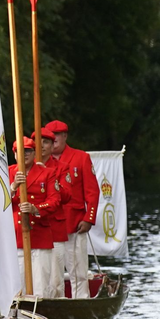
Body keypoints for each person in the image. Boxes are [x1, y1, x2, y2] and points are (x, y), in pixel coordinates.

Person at [45, 119, 100, 298]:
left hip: (75, 223)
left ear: (65, 136)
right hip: (51, 226)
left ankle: (81, 303)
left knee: (78, 270)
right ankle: (55, 305)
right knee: (53, 273)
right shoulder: (42, 161)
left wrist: (89, 218)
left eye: (56, 137)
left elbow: (92, 191)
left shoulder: (80, 157)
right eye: (49, 138)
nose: (53, 142)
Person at [9, 137, 61, 298]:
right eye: (20, 151)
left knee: (40, 285)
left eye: (28, 151)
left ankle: (38, 317)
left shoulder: (47, 173)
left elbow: (55, 200)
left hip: (39, 234)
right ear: (14, 154)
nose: (24, 154)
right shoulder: (7, 172)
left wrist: (35, 208)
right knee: (16, 286)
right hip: (15, 235)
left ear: (34, 153)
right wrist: (13, 187)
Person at [34, 128, 72, 298]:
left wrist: (48, 177)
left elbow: (66, 196)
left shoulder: (61, 168)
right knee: (34, 275)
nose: (41, 146)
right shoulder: (23, 167)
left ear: (52, 146)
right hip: (32, 229)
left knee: (56, 279)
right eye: (38, 141)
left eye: (46, 142)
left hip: (54, 229)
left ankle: (58, 313)